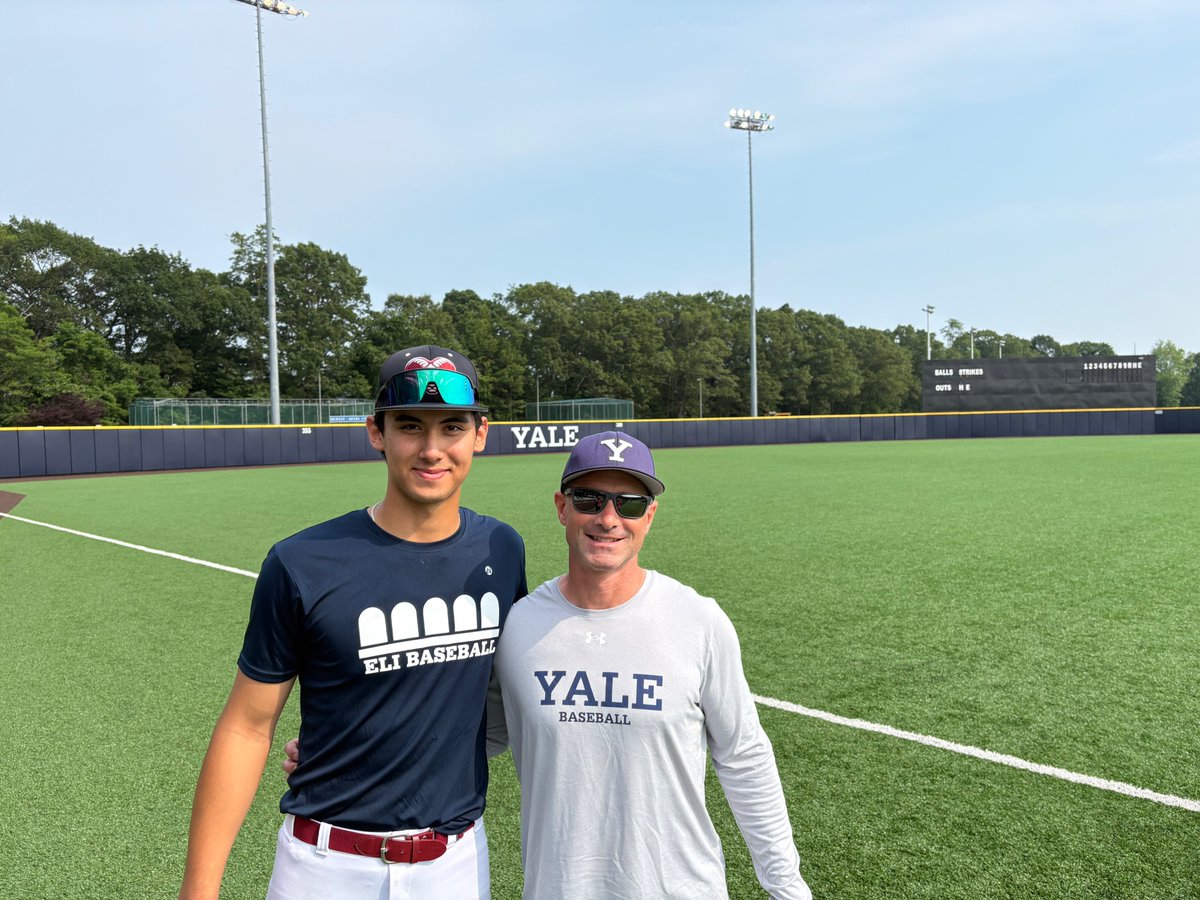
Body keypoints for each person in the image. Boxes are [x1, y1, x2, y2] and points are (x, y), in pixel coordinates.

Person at [180, 345, 527, 900]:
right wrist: (198, 892)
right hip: (324, 865)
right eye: (410, 425)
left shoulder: (502, 548)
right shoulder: (300, 561)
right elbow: (246, 726)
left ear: (479, 433)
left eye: (452, 427)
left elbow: (491, 691)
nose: (432, 449)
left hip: (457, 864)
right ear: (376, 432)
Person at [488, 430, 811, 899]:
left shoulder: (697, 620)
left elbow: (744, 756)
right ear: (562, 507)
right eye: (589, 499)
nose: (608, 519)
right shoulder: (519, 625)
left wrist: (786, 887)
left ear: (650, 515)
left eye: (629, 504)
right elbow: (482, 737)